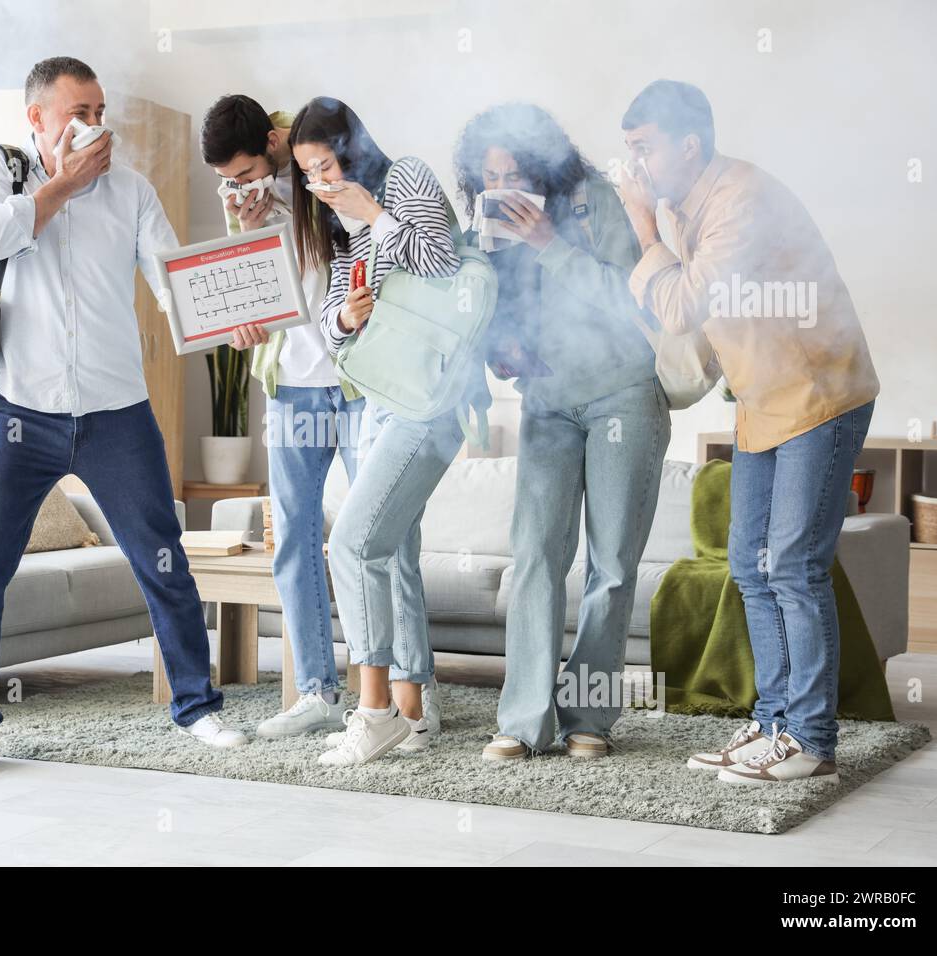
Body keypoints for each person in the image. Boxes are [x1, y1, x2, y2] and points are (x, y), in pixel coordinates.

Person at [0, 56, 247, 777]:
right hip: (20, 414)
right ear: (38, 119)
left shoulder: (130, 191)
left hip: (116, 413)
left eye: (100, 112)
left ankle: (198, 708)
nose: (95, 125)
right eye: (80, 112)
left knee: (163, 560)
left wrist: (224, 315)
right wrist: (65, 187)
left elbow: (169, 278)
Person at [618, 80, 879, 784]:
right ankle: (772, 725)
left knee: (792, 567)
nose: (634, 168)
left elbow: (683, 304)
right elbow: (700, 329)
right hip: (764, 400)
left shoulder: (740, 200)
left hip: (817, 395)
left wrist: (643, 231)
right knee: (749, 566)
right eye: (629, 152)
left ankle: (813, 742)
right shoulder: (688, 207)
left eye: (643, 150)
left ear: (689, 145)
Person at [453, 104, 671, 762]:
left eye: (513, 172)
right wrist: (498, 348)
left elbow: (635, 302)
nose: (501, 187)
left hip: (622, 394)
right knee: (535, 557)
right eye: (487, 176)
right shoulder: (489, 224)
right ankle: (522, 722)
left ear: (544, 165)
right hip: (546, 401)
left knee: (610, 566)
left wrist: (550, 243)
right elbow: (497, 317)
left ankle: (590, 720)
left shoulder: (596, 201)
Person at [288, 97, 478, 766]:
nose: (320, 183)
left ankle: (374, 715)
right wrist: (345, 316)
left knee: (356, 544)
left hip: (430, 397)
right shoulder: (338, 220)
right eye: (308, 173)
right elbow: (338, 337)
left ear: (352, 149)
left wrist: (371, 213)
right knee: (389, 552)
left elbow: (443, 266)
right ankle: (412, 716)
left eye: (325, 165)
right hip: (378, 397)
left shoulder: (406, 181)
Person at [199, 95, 365, 737]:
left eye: (243, 174)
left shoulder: (328, 168)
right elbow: (257, 297)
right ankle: (318, 692)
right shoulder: (246, 205)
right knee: (293, 536)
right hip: (292, 385)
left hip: (353, 384)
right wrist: (244, 227)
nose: (237, 188)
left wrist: (295, 195)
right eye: (226, 182)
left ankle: (404, 686)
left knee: (371, 536)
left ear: (273, 144)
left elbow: (360, 243)